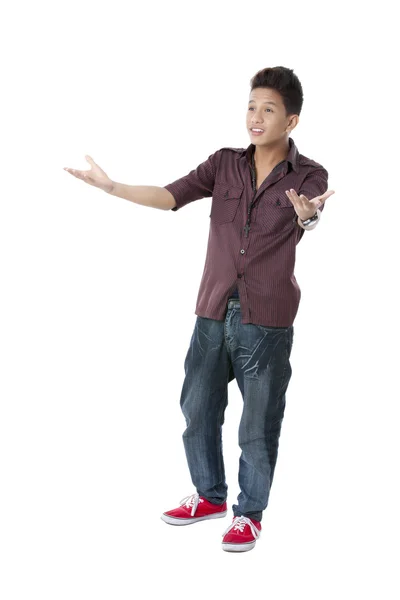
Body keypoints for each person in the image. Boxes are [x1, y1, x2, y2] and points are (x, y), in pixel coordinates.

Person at [64, 66, 335, 553]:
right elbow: (170, 196)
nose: (255, 116)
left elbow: (311, 213)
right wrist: (112, 187)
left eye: (268, 109)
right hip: (213, 309)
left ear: (291, 121)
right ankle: (209, 496)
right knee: (198, 407)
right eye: (251, 105)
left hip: (267, 319)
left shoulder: (309, 175)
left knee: (257, 424)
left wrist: (307, 216)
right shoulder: (224, 163)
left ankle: (248, 515)